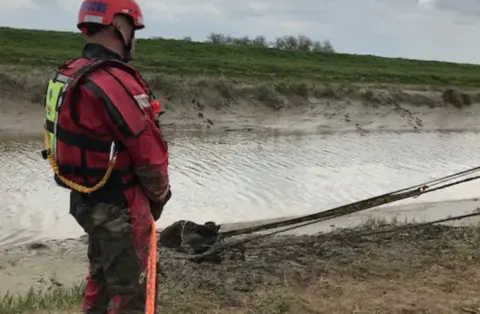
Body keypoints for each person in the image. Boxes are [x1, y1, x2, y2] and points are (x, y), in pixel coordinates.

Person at [41, 0, 171, 313]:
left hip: (85, 201)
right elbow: (150, 155)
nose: (134, 37)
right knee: (128, 293)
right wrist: (160, 198)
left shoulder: (67, 74)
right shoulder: (115, 82)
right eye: (134, 29)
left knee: (99, 280)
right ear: (120, 26)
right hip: (121, 208)